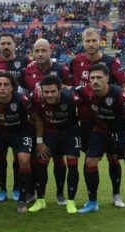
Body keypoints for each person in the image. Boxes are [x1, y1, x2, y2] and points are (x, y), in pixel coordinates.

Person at [69, 27, 125, 208]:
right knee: (90, 160)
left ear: (100, 41)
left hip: (108, 121)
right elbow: (71, 87)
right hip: (86, 121)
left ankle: (116, 195)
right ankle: (92, 200)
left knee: (114, 158)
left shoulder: (111, 62)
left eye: (94, 40)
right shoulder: (75, 62)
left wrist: (124, 103)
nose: (90, 44)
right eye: (87, 41)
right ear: (83, 43)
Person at [75, 63, 125, 217]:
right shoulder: (85, 90)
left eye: (99, 77)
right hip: (100, 132)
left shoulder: (119, 94)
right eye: (92, 78)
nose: (95, 81)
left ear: (107, 78)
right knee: (90, 162)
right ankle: (92, 202)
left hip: (123, 132)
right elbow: (68, 89)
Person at [0, 71, 45, 213]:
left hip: (21, 132)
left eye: (6, 85)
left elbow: (37, 119)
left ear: (12, 87)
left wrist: (39, 142)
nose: (2, 87)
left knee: (24, 160)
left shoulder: (22, 99)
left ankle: (22, 200)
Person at [20, 38, 75, 206]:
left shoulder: (62, 70)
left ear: (50, 51)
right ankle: (32, 193)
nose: (40, 54)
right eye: (37, 51)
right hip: (36, 122)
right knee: (35, 158)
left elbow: (72, 91)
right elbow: (21, 94)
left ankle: (60, 194)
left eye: (43, 50)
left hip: (59, 123)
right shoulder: (28, 70)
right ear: (33, 52)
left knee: (59, 160)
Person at [0, 32, 32, 202]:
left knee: (18, 156)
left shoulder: (25, 61)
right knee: (0, 155)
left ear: (14, 44)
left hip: (19, 116)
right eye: (3, 43)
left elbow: (28, 85)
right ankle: (3, 188)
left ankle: (17, 187)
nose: (6, 46)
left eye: (9, 43)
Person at [28, 75, 81, 214]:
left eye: (53, 92)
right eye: (46, 92)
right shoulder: (35, 96)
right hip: (49, 131)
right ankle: (40, 200)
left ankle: (70, 201)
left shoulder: (71, 97)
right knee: (41, 162)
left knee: (72, 163)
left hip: (70, 131)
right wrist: (39, 141)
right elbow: (32, 114)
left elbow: (85, 107)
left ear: (60, 90)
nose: (49, 95)